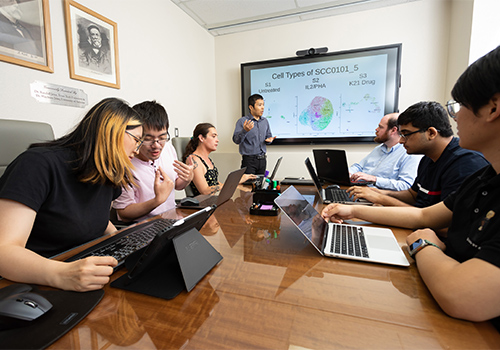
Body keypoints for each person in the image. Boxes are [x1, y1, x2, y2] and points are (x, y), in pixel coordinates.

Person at [322, 46, 500, 329]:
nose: (454, 118)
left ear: (493, 107)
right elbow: (422, 215)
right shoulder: (488, 177)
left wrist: (423, 243)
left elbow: (460, 295)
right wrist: (352, 209)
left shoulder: (468, 164)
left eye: (458, 106)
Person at [0, 97, 142, 292]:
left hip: (82, 271)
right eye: (137, 140)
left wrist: (125, 241)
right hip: (34, 281)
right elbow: (4, 251)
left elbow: (96, 219)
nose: (137, 149)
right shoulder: (37, 165)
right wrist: (60, 273)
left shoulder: (106, 173)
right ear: (113, 130)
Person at [348, 101, 488, 207]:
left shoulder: (465, 164)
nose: (401, 141)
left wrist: (382, 199)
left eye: (406, 135)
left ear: (431, 133)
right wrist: (377, 193)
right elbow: (413, 195)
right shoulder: (428, 158)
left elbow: (442, 223)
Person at [112, 101, 194, 222]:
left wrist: (187, 179)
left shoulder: (168, 149)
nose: (156, 145)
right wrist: (156, 201)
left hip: (172, 221)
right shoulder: (125, 163)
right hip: (145, 227)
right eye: (148, 139)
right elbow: (124, 212)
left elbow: (176, 185)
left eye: (162, 138)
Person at [349, 113, 421, 191]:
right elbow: (359, 167)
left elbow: (405, 186)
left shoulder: (409, 154)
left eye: (380, 127)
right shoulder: (378, 149)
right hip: (361, 189)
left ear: (393, 130)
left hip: (380, 197)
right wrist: (349, 173)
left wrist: (374, 179)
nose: (376, 129)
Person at [183, 123, 255, 196]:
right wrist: (235, 182)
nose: (217, 140)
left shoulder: (208, 160)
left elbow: (216, 184)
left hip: (215, 200)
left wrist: (238, 184)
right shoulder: (193, 160)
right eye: (213, 136)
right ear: (201, 138)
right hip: (204, 204)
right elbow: (205, 191)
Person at [232, 94, 276, 175]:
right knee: (248, 186)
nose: (262, 107)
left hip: (262, 160)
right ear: (251, 107)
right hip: (249, 161)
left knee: (260, 186)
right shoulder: (242, 121)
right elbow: (236, 140)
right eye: (259, 105)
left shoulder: (265, 121)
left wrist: (269, 140)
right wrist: (245, 130)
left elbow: (268, 136)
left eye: (263, 105)